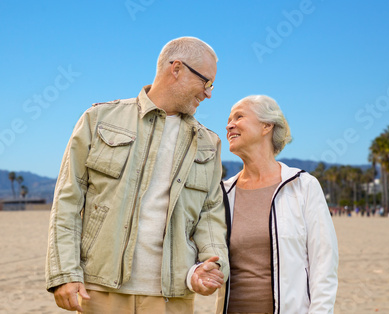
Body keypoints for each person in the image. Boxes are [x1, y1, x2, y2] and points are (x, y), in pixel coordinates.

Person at [46, 36, 229, 313]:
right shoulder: (98, 120)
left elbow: (211, 215)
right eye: (206, 82)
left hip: (174, 297)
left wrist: (212, 265)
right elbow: (68, 201)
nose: (209, 93)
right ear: (176, 68)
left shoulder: (209, 143)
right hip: (100, 291)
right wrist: (64, 273)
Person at [218, 95, 338, 313]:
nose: (229, 125)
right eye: (228, 119)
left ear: (266, 126)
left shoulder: (302, 186)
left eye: (239, 116)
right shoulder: (223, 193)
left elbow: (324, 264)